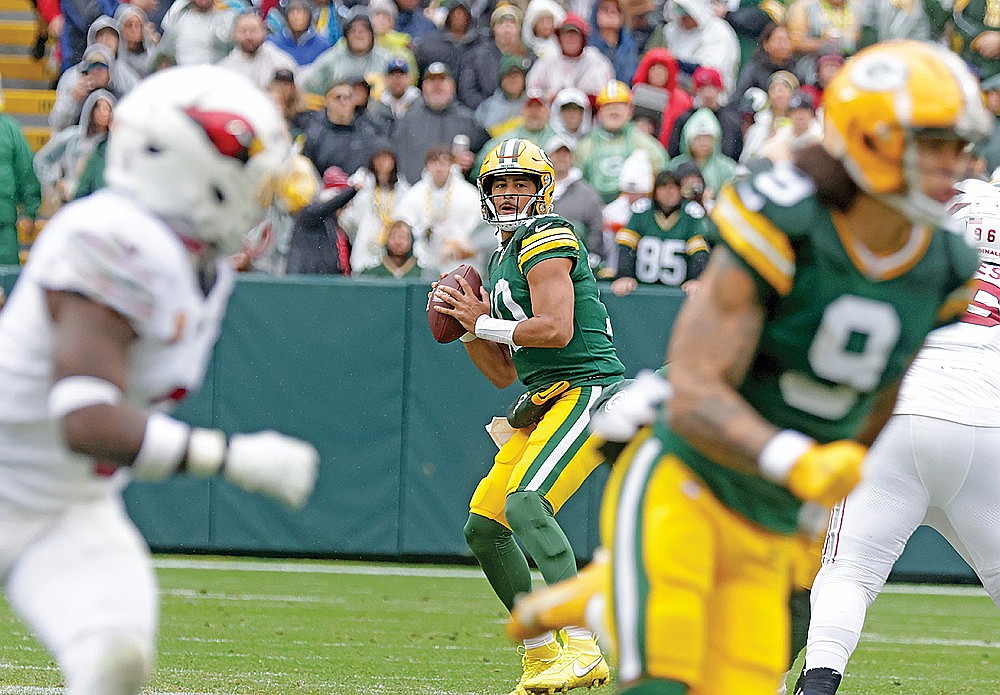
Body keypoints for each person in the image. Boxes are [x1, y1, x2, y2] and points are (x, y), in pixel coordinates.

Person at [505, 40, 992, 695]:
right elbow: (700, 382)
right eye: (928, 144)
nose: (952, 166)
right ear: (863, 139)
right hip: (702, 466)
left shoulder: (951, 262)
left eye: (956, 145)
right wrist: (796, 458)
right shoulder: (783, 215)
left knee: (767, 648)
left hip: (785, 488)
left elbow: (892, 382)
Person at [0, 65, 319, 695]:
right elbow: (85, 420)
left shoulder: (202, 261)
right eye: (252, 170)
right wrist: (230, 458)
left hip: (69, 507)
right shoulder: (116, 240)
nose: (265, 190)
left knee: (114, 662)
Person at [431, 137, 623, 695]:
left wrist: (483, 320)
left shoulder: (549, 233)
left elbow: (557, 330)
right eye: (500, 184)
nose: (510, 193)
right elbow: (503, 373)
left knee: (527, 504)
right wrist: (467, 326)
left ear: (543, 190)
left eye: (521, 183)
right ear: (486, 193)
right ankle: (542, 656)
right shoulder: (500, 256)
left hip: (589, 388)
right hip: (544, 396)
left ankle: (584, 646)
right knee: (486, 528)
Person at [794, 178, 1000, 695]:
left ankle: (817, 685)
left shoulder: (920, 217)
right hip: (987, 414)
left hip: (905, 408)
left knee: (848, 571)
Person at [611, 169, 709, 297]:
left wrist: (697, 279)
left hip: (679, 289)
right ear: (655, 191)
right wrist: (624, 275)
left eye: (673, 187)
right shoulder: (642, 210)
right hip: (642, 287)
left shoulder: (691, 213)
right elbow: (626, 246)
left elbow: (699, 251)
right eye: (664, 187)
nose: (669, 192)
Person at [390, 61, 491, 185]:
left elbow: (487, 155)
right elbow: (394, 158)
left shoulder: (469, 121)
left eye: (442, 80)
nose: (437, 85)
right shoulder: (407, 120)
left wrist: (473, 162)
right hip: (416, 195)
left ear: (453, 86)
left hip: (455, 196)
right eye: (431, 80)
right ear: (423, 87)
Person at [574, 79, 668, 203]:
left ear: (630, 110)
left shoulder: (646, 144)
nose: (614, 111)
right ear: (599, 112)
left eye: (619, 105)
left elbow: (662, 177)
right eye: (608, 106)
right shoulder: (585, 146)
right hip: (594, 209)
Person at [397, 145, 485, 276]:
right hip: (425, 261)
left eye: (443, 163)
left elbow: (478, 229)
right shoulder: (415, 194)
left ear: (451, 165)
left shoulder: (468, 194)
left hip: (458, 260)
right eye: (434, 163)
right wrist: (424, 233)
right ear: (427, 166)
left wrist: (459, 245)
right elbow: (404, 223)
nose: (439, 168)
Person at [524, 13, 614, 104]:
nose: (570, 38)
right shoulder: (546, 61)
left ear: (583, 38)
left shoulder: (596, 62)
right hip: (552, 115)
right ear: (559, 37)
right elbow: (531, 92)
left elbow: (608, 94)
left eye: (575, 34)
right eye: (566, 34)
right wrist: (549, 95)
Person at [0, 101, 41, 265]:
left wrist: (30, 210)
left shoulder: (9, 129)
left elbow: (25, 168)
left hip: (4, 224)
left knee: (7, 279)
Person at [218, 11, 297, 89]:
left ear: (264, 31)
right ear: (234, 34)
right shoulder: (224, 68)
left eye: (253, 30)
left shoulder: (281, 62)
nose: (248, 36)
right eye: (243, 31)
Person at [358, 219, 422, 278]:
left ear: (411, 240)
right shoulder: (370, 274)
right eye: (393, 237)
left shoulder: (423, 275)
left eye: (402, 237)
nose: (397, 242)